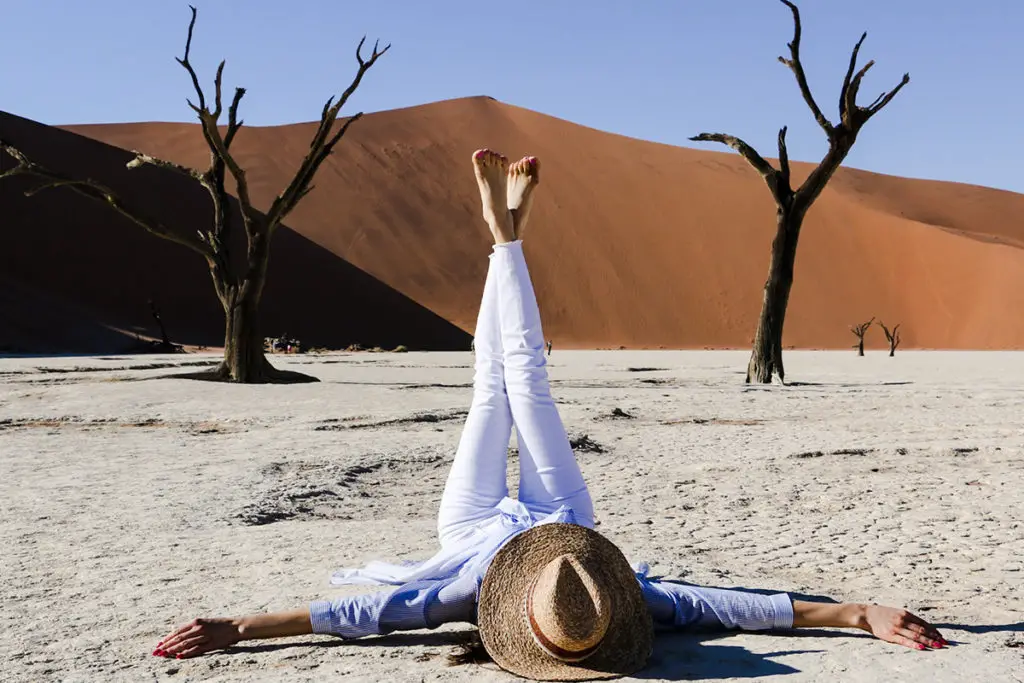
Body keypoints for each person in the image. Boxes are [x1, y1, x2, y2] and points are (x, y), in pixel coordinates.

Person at [152, 150, 946, 678]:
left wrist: (239, 627)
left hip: (471, 533)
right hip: (565, 518)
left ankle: (506, 235)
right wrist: (855, 610)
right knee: (527, 383)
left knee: (490, 388)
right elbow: (727, 602)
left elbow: (359, 615)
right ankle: (507, 238)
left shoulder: (459, 590)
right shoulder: (614, 584)